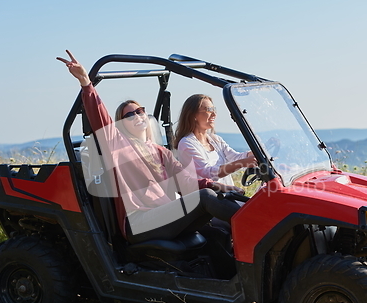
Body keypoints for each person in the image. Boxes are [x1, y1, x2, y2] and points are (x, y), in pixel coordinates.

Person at [56, 50, 243, 245]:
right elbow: (102, 120)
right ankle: (258, 224)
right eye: (129, 115)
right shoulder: (119, 146)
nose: (137, 116)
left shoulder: (160, 152)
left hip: (166, 213)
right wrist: (86, 83)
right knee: (205, 198)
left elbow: (186, 180)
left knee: (218, 228)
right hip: (139, 221)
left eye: (140, 111)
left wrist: (216, 185)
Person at [174, 94, 257, 186]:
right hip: (207, 198)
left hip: (228, 195)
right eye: (209, 110)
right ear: (193, 115)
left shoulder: (215, 139)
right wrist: (242, 163)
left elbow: (235, 157)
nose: (214, 114)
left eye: (214, 109)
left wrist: (258, 152)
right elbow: (208, 172)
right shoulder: (186, 143)